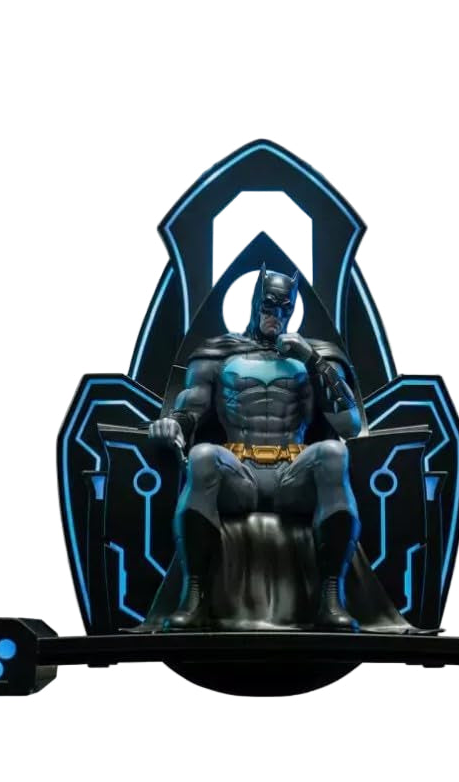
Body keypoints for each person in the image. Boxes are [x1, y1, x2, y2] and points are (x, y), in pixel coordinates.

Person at [149, 265, 364, 630]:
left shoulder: (314, 357)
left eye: (284, 308)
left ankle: (331, 600)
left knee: (334, 452)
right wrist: (173, 423)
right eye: (268, 306)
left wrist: (313, 361)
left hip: (292, 475)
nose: (275, 315)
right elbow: (191, 410)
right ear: (254, 303)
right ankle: (194, 597)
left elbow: (350, 426)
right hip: (240, 474)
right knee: (202, 456)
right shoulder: (220, 354)